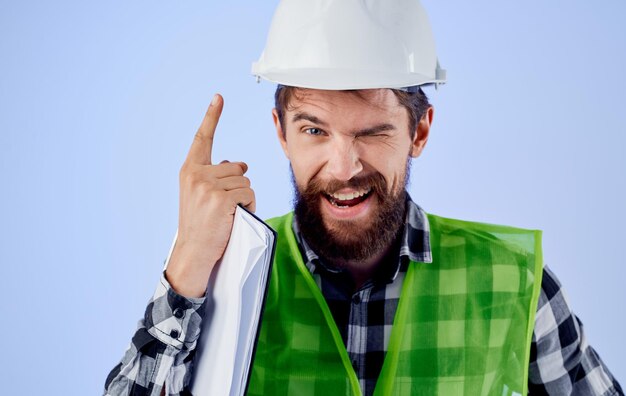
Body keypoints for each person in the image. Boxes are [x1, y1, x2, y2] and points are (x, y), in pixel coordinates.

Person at [104, 1, 623, 395]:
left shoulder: (513, 284)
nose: (344, 168)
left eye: (372, 133)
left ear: (419, 131)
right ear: (281, 132)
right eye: (314, 131)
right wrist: (189, 263)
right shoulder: (219, 281)